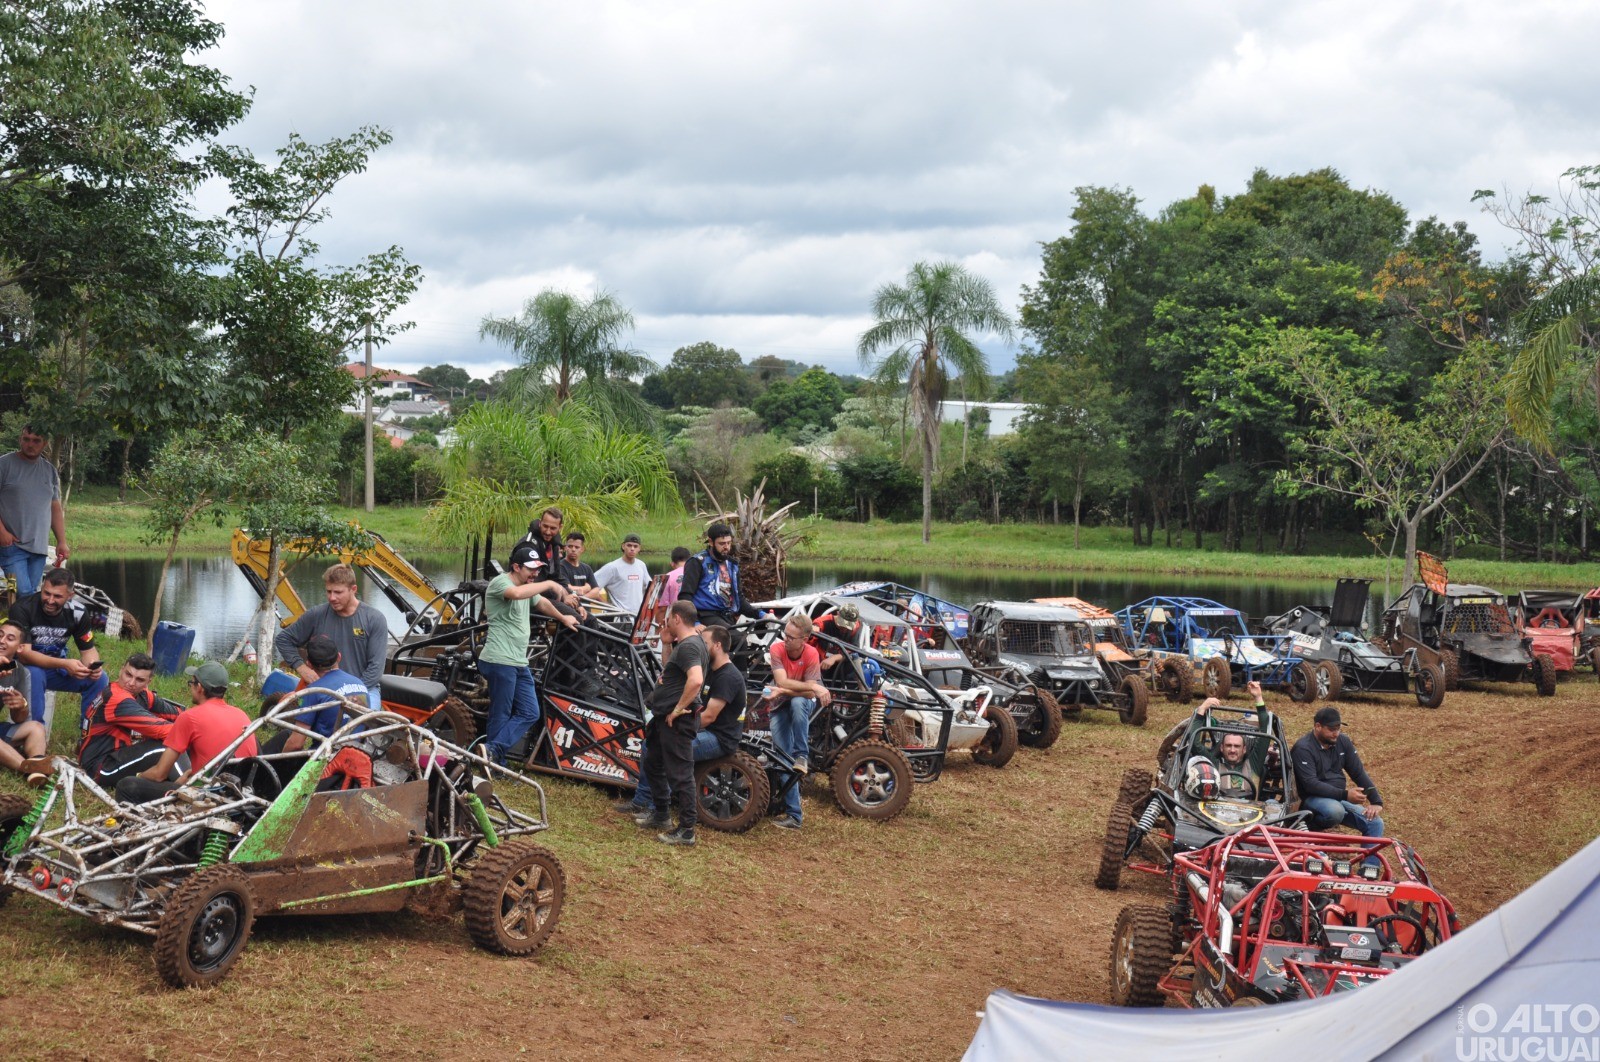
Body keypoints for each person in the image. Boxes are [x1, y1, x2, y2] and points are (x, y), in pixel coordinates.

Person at [481, 543, 578, 765]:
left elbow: (541, 602)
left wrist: (562, 618)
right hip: (499, 659)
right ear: (516, 566)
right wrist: (550, 582)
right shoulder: (501, 583)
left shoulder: (528, 586)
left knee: (530, 712)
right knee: (501, 713)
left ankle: (491, 751)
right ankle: (496, 765)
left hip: (518, 661)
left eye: (538, 568)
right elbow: (516, 594)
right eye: (531, 569)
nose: (535, 573)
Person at [115, 661, 258, 804]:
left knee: (126, 786)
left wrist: (140, 776)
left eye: (192, 683)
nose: (191, 687)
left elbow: (159, 774)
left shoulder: (190, 717)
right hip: (243, 791)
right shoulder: (241, 714)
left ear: (200, 688)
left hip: (207, 795)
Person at [635, 600, 705, 846]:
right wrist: (665, 643)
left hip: (677, 720)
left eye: (668, 618)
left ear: (677, 618)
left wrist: (678, 709)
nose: (664, 622)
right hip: (663, 717)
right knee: (652, 763)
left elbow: (695, 680)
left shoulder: (690, 646)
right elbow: (669, 672)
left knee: (680, 774)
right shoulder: (683, 645)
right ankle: (662, 813)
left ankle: (687, 830)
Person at [273, 563, 389, 709]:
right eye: (328, 591)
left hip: (363, 688)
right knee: (303, 724)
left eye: (338, 592)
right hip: (322, 688)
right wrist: (301, 667)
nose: (332, 597)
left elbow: (376, 668)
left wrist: (352, 692)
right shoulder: (317, 615)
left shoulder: (374, 619)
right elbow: (283, 639)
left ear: (353, 589)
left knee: (363, 726)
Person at [12, 567, 107, 729]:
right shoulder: (23, 608)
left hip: (55, 668)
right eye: (46, 593)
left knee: (99, 679)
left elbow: (88, 649)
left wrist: (92, 666)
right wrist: (64, 664)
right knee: (34, 673)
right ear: (42, 588)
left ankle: (89, 734)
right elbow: (25, 655)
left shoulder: (78, 613)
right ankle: (33, 734)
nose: (50, 600)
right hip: (21, 668)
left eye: (57, 596)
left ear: (70, 596)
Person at [77, 651, 182, 789]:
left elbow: (180, 715)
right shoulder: (116, 699)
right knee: (170, 745)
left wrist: (201, 721)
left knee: (179, 737)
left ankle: (181, 782)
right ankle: (191, 786)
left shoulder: (143, 695)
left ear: (148, 682)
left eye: (139, 680)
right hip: (100, 767)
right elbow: (166, 731)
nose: (131, 683)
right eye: (128, 674)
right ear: (121, 670)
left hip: (120, 755)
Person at [767, 614, 832, 830]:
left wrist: (806, 688)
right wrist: (813, 687)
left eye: (791, 637)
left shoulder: (812, 653)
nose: (785, 639)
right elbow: (783, 681)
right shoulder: (776, 649)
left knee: (796, 702)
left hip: (800, 704)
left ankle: (803, 754)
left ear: (804, 639)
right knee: (784, 757)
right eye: (785, 634)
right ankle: (794, 815)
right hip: (778, 706)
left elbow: (803, 693)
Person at [1292, 706, 1384, 839]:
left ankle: (1369, 861)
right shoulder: (1303, 748)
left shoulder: (1343, 741)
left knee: (1375, 823)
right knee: (1335, 811)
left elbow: (1358, 772)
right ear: (1318, 726)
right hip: (1311, 798)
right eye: (1331, 729)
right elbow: (1310, 784)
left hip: (1337, 798)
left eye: (1338, 729)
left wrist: (1376, 801)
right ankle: (1309, 826)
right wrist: (1345, 795)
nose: (1336, 733)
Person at [269, 634, 369, 754]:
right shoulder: (360, 684)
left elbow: (296, 744)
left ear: (309, 664)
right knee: (286, 734)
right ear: (339, 657)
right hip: (356, 753)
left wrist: (279, 762)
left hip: (324, 759)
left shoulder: (314, 691)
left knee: (282, 740)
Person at [0, 426, 69, 597]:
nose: (30, 444)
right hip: (11, 546)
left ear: (45, 443)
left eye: (36, 440)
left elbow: (55, 507)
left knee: (31, 597)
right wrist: (2, 532)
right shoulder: (4, 464)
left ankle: (19, 624)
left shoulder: (49, 471)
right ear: (20, 440)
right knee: (22, 593)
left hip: (39, 547)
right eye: (26, 439)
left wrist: (62, 541)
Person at [681, 522, 770, 627]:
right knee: (735, 639)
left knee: (749, 636)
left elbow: (739, 599)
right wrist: (694, 622)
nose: (726, 547)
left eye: (729, 543)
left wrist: (762, 615)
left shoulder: (732, 565)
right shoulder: (697, 562)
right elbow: (685, 595)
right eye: (722, 543)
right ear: (710, 542)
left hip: (725, 616)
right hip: (704, 615)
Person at [0, 619, 51, 787]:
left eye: (10, 638)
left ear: (20, 647)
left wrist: (21, 705)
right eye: (0, 635)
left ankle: (37, 765)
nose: (2, 640)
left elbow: (19, 719)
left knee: (36, 727)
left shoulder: (20, 671)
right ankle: (29, 770)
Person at [595, 533, 650, 615]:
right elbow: (592, 587)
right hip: (620, 617)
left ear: (639, 548)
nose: (632, 549)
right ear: (623, 546)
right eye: (629, 545)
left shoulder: (641, 565)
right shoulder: (612, 567)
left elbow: (651, 587)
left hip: (638, 616)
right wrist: (608, 606)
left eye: (635, 546)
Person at [815, 601, 869, 673]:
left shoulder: (855, 629)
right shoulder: (822, 623)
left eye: (848, 627)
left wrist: (834, 658)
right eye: (842, 625)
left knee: (858, 666)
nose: (845, 629)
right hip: (819, 663)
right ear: (837, 614)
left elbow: (854, 652)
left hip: (841, 665)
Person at [557, 532, 603, 599]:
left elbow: (596, 592)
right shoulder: (560, 566)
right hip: (569, 607)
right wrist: (587, 588)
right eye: (570, 546)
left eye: (577, 547)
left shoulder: (587, 568)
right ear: (565, 548)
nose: (573, 549)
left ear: (582, 549)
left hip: (585, 608)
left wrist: (581, 598)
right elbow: (568, 588)